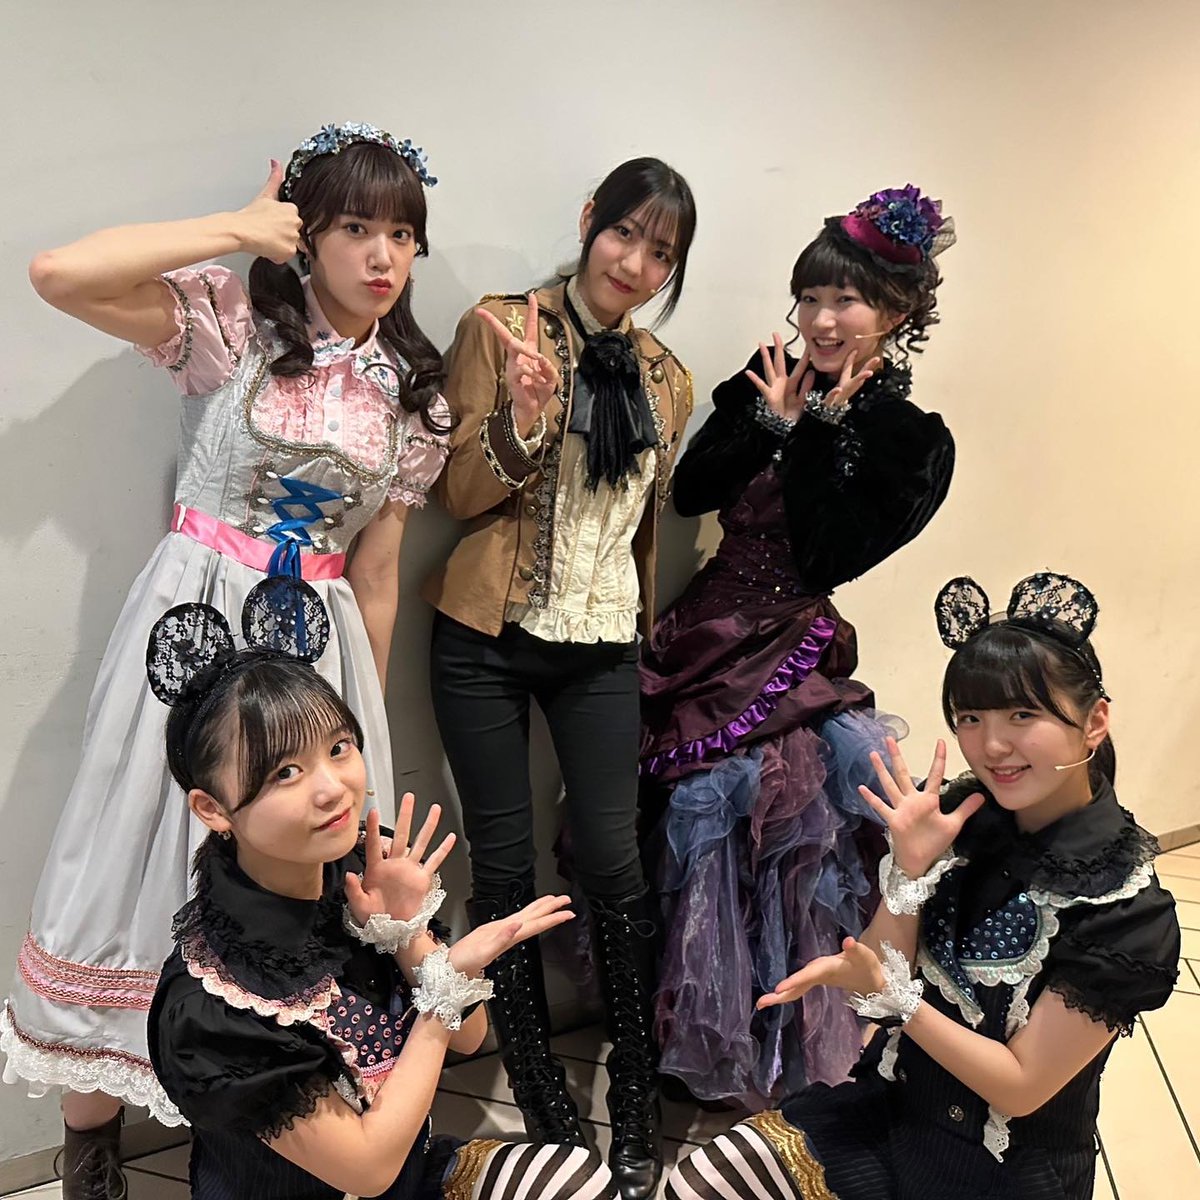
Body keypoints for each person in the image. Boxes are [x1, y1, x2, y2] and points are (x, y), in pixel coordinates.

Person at [1, 122, 450, 1198]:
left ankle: (280, 1125)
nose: (382, 256)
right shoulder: (235, 324)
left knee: (298, 876)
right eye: (356, 227)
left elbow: (378, 571)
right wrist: (234, 229)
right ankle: (92, 1146)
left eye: (402, 234)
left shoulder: (412, 393)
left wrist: (360, 728)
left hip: (316, 643)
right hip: (193, 622)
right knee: (136, 851)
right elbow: (57, 273)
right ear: (308, 233)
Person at [663, 571, 1181, 1200]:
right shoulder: (959, 820)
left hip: (1001, 1172)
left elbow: (1021, 1087)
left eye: (1023, 714)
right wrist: (908, 871)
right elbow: (880, 969)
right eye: (970, 717)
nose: (993, 745)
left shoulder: (1124, 904)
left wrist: (901, 1004)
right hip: (892, 1112)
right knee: (701, 1180)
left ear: (1093, 721)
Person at [143, 578, 614, 1200]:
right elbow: (367, 1170)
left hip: (408, 1173)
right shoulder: (217, 1001)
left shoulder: (362, 870)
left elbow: (469, 1037)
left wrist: (406, 932)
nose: (332, 788)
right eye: (285, 772)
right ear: (213, 808)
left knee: (574, 1180)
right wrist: (445, 985)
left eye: (339, 748)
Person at [639, 186, 956, 1109]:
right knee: (696, 829)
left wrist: (814, 433)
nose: (820, 321)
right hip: (704, 635)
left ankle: (776, 1047)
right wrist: (772, 420)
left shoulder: (910, 440)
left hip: (791, 651)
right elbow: (690, 493)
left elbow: (826, 555)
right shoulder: (769, 375)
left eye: (844, 300)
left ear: (896, 313)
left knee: (792, 845)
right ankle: (694, 1036)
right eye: (809, 298)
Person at [421, 157, 697, 1199]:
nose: (635, 263)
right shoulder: (502, 329)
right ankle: (542, 1099)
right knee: (504, 871)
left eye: (661, 252)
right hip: (485, 637)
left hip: (603, 641)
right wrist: (525, 420)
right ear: (590, 221)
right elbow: (453, 494)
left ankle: (634, 1098)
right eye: (625, 233)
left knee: (615, 866)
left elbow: (641, 529)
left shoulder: (667, 379)